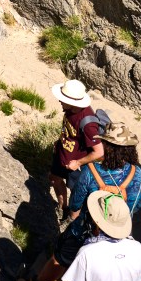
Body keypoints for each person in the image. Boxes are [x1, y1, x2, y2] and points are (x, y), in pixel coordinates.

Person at [16, 122, 141, 281]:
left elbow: (76, 202)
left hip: (85, 230)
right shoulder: (139, 175)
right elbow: (136, 205)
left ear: (108, 147)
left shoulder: (91, 171)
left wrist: (73, 215)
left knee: (59, 258)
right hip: (120, 232)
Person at [48, 79, 104, 216]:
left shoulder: (88, 124)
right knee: (55, 179)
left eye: (62, 99)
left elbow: (99, 151)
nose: (59, 101)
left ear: (72, 101)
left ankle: (72, 221)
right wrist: (60, 141)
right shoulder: (70, 110)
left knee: (76, 194)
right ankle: (63, 209)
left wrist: (77, 163)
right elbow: (70, 131)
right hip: (63, 155)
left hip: (76, 165)